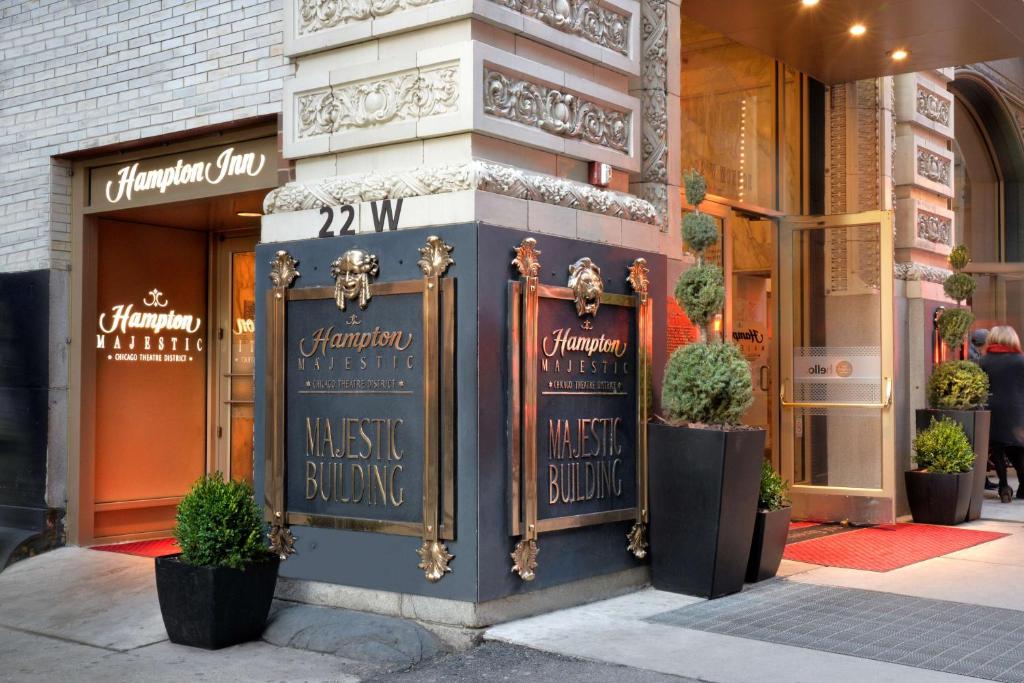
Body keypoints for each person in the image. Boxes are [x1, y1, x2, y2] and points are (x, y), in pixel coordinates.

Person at [980, 325, 1024, 502]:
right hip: (1017, 411)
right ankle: (1022, 486)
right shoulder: (1020, 361)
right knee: (1018, 451)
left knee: (997, 449)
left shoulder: (983, 362)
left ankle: (1004, 487)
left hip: (992, 410)